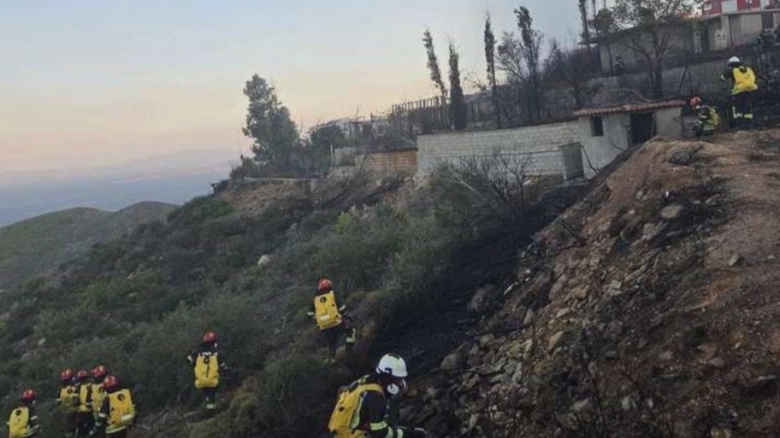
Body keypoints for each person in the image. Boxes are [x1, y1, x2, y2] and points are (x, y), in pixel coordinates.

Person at [328, 354, 426, 438]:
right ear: (387, 378)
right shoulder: (375, 397)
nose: (400, 384)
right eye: (398, 380)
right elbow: (380, 432)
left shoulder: (366, 381)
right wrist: (409, 434)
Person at [308, 278, 357, 363]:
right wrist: (347, 316)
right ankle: (349, 353)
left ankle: (332, 359)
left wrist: (318, 319)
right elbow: (342, 308)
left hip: (323, 326)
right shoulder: (332, 295)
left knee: (332, 341)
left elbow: (309, 314)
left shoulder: (315, 299)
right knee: (351, 331)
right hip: (336, 322)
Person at [186, 331, 227, 413]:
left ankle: (207, 404)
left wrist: (194, 364)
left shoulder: (198, 352)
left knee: (204, 391)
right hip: (212, 380)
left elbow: (188, 359)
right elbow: (222, 364)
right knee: (212, 392)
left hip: (200, 380)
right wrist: (224, 368)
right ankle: (211, 410)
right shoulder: (215, 353)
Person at [720, 56, 758, 130]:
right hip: (748, 90)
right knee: (747, 106)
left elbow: (722, 78)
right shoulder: (748, 68)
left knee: (738, 108)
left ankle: (740, 125)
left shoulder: (732, 69)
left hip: (738, 91)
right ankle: (748, 125)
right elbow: (755, 76)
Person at [56, 369, 78, 438]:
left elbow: (58, 403)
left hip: (66, 413)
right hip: (76, 412)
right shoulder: (76, 388)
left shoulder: (61, 390)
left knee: (69, 431)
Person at [75, 370, 94, 437]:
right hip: (90, 410)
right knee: (91, 427)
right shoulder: (91, 386)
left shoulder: (78, 387)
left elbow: (76, 400)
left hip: (81, 410)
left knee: (80, 429)